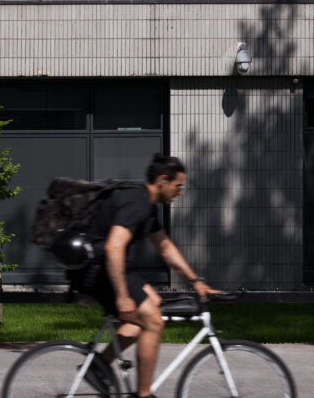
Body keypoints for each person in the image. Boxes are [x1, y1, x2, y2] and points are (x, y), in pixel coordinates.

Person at [76, 153, 219, 398]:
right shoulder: (137, 203)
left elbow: (165, 248)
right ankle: (144, 394)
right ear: (163, 180)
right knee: (153, 320)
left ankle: (98, 365)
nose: (180, 192)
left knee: (153, 304)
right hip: (96, 270)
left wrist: (196, 281)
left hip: (102, 266)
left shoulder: (145, 207)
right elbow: (114, 247)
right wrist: (122, 296)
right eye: (178, 185)